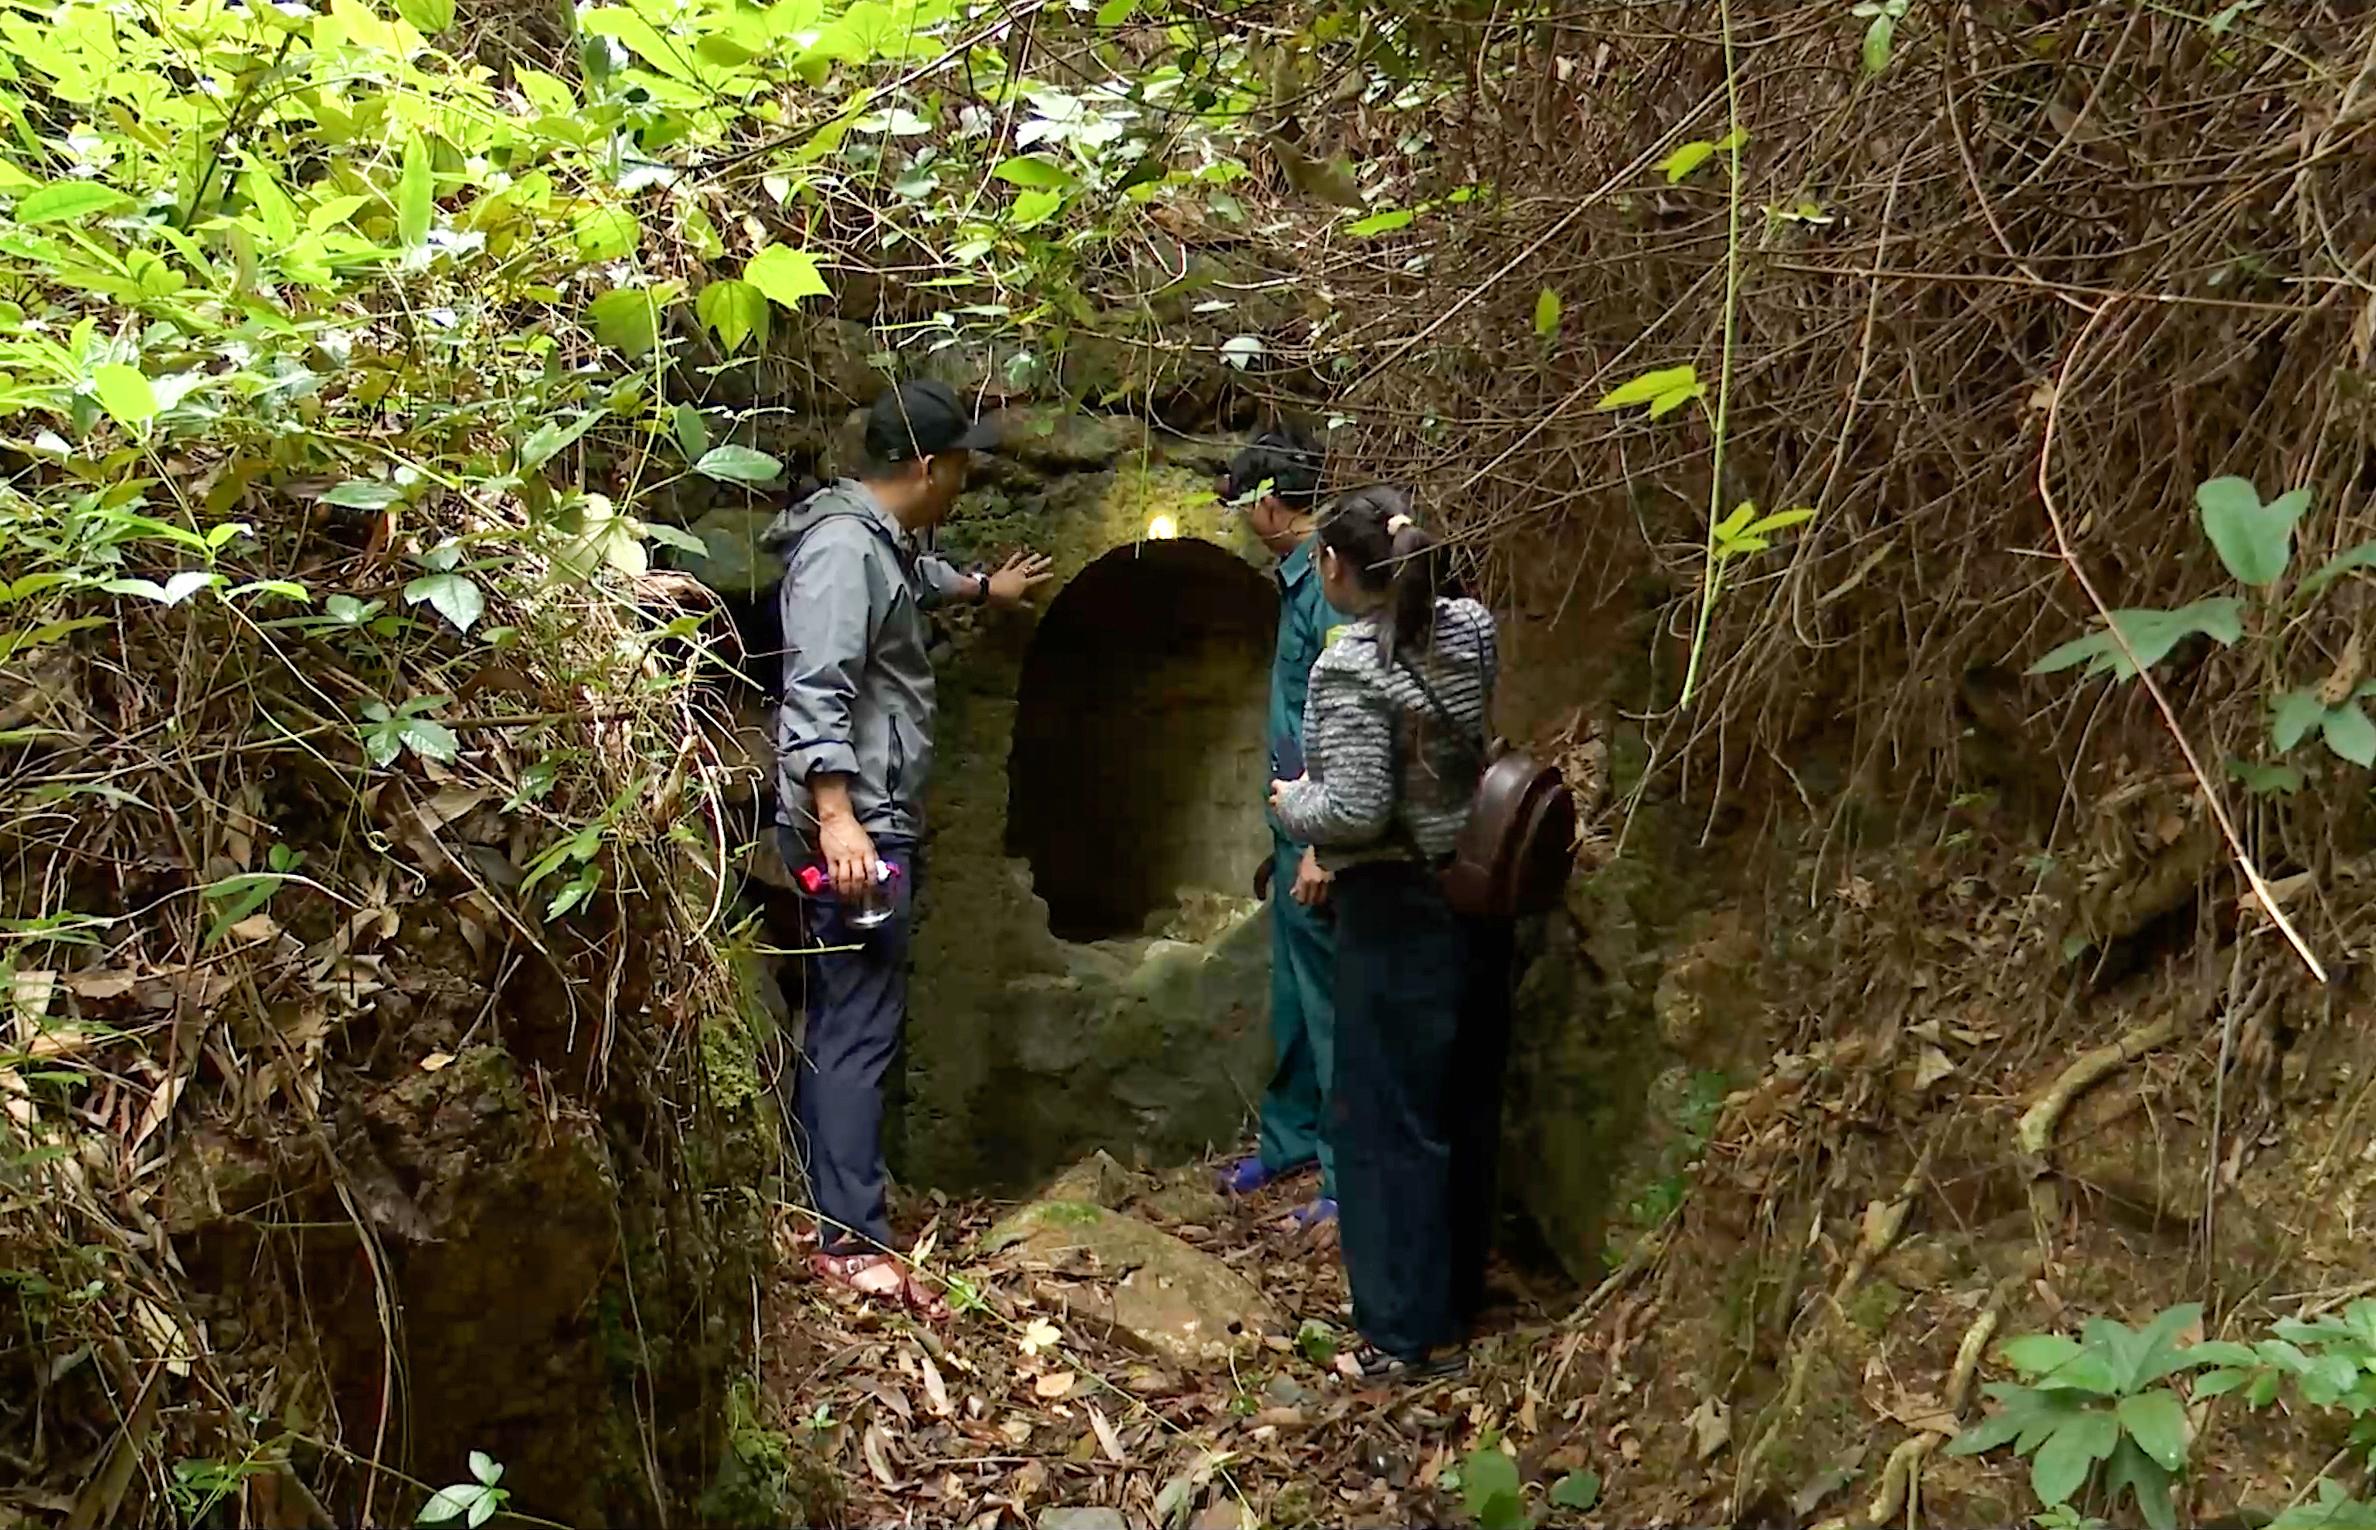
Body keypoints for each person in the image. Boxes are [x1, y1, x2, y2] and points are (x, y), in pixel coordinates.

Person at [768, 378, 1053, 1318]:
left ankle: (833, 1209)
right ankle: (848, 1243)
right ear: (930, 468)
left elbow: (906, 582)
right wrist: (838, 817)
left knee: (849, 1016)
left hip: (869, 818)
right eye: (963, 465)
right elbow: (817, 685)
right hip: (858, 830)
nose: (967, 481)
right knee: (858, 1024)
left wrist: (978, 587)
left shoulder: (873, 540)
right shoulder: (842, 552)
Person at [1270, 485, 1512, 1380]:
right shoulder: (1471, 630)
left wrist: (1293, 805)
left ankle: (1405, 1333)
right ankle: (1454, 1298)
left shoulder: (1348, 666)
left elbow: (1358, 807)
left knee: (1385, 1116)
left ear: (1335, 565)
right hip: (1472, 891)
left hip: (1395, 905)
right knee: (1458, 1101)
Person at [1215, 429, 1354, 1230]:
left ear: (1269, 504)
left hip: (1322, 833)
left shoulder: (1329, 584)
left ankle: (1343, 1177)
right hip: (1295, 826)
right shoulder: (1301, 579)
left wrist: (1319, 843)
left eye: (1244, 506)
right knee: (1297, 1001)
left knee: (1331, 1005)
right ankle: (1293, 1139)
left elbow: (1340, 720)